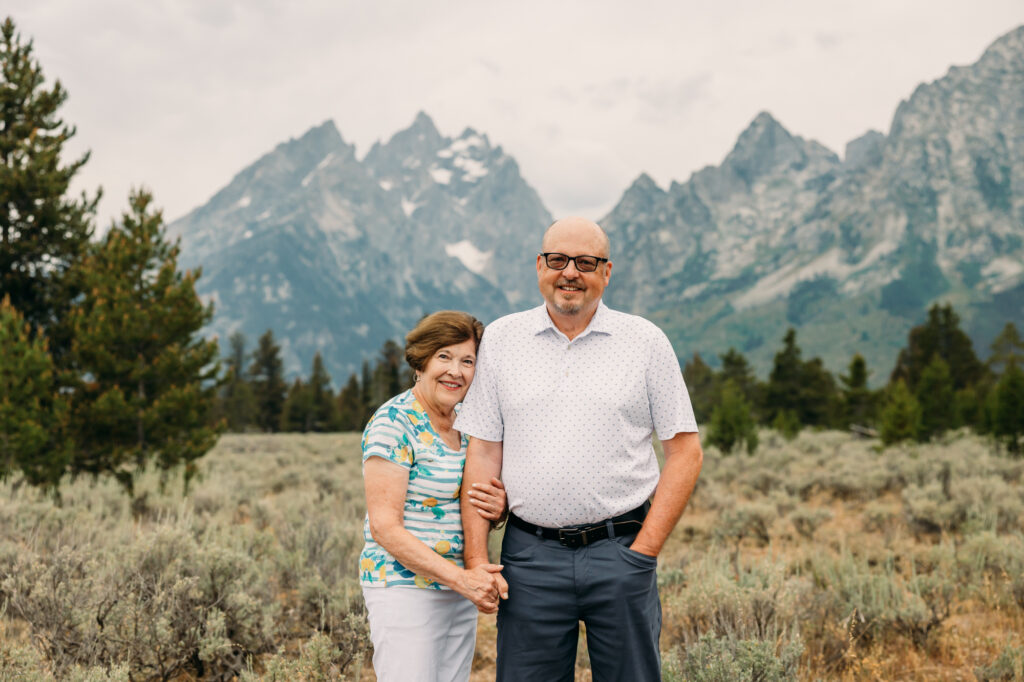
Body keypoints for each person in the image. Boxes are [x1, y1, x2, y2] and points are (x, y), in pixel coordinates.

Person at [456, 217, 704, 681]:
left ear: (606, 272)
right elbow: (484, 453)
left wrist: (644, 552)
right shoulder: (503, 341)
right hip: (529, 559)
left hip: (622, 551)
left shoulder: (645, 342)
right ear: (539, 266)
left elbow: (686, 452)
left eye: (585, 262)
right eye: (558, 260)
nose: (570, 272)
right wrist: (477, 560)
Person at [359, 310, 508, 682]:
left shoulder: (467, 424)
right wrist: (461, 579)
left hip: (457, 588)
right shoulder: (394, 423)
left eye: (467, 361)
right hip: (404, 587)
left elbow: (472, 496)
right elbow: (384, 528)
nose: (455, 371)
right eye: (444, 356)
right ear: (421, 360)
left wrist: (499, 508)